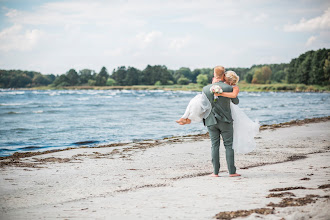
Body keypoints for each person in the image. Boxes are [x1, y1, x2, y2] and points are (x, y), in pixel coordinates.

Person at [202, 66, 241, 177]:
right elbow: (236, 101)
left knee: (214, 146)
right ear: (224, 75)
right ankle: (232, 172)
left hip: (210, 121)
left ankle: (215, 172)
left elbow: (203, 105)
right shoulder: (229, 88)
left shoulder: (205, 89)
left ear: (214, 75)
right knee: (228, 145)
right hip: (225, 121)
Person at [215, 71, 259, 154]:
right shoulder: (221, 85)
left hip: (231, 109)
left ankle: (233, 146)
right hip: (223, 108)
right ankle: (230, 146)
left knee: (236, 127)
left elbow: (234, 97)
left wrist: (220, 93)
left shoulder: (234, 88)